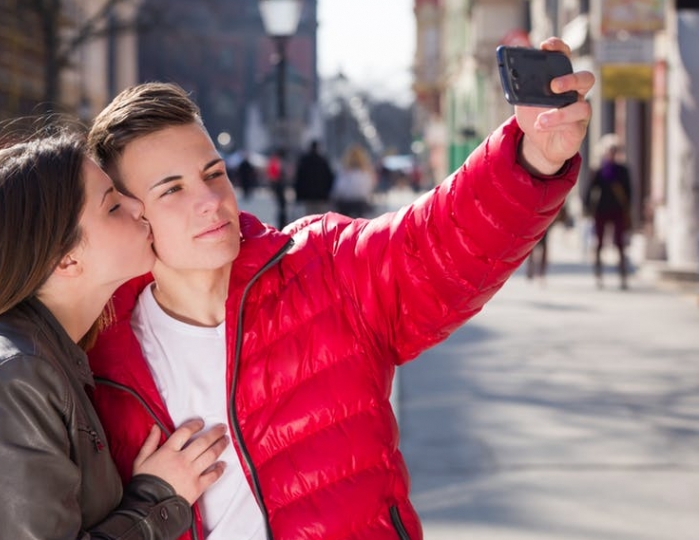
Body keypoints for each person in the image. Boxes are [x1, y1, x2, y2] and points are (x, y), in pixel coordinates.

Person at [86, 37, 593, 540]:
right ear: (133, 213)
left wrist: (529, 157)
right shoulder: (97, 351)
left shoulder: (322, 268)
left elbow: (439, 240)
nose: (209, 200)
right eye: (172, 189)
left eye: (212, 173)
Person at [0, 130, 229, 540]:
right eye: (114, 205)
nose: (138, 206)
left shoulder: (37, 358)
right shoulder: (10, 376)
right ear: (65, 259)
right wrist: (159, 497)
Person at [582, 133, 632, 290]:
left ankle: (623, 276)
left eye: (614, 150)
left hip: (617, 210)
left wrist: (628, 208)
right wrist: (587, 207)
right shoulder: (598, 170)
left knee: (619, 244)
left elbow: (629, 191)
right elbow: (589, 190)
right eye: (609, 150)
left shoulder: (622, 170)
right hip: (601, 210)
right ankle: (598, 274)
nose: (611, 153)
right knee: (599, 243)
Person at [526, 205, 574, 284]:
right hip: (541, 213)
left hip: (542, 213)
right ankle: (536, 270)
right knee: (536, 244)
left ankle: (537, 270)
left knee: (536, 244)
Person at [331, 142, 377, 218]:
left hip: (345, 206)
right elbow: (368, 189)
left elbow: (338, 189)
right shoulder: (366, 173)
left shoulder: (344, 173)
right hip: (361, 205)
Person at [294, 139, 335, 216]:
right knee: (320, 218)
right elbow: (330, 178)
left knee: (310, 217)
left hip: (307, 196)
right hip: (321, 197)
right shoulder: (323, 161)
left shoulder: (304, 161)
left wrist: (298, 196)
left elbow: (299, 179)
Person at [265, 148, 287, 229]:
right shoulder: (276, 161)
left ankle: (281, 221)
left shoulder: (273, 160)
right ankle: (282, 222)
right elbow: (275, 174)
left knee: (280, 204)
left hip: (276, 184)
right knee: (281, 204)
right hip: (278, 184)